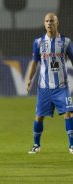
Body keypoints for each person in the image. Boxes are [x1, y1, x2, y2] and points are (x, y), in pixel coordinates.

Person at [26, 13, 73, 154]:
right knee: (39, 116)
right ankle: (36, 145)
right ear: (44, 23)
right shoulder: (38, 42)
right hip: (44, 88)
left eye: (51, 21)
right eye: (46, 21)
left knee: (69, 113)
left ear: (57, 22)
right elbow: (34, 63)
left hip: (62, 87)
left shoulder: (66, 42)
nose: (49, 23)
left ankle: (71, 146)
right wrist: (29, 79)